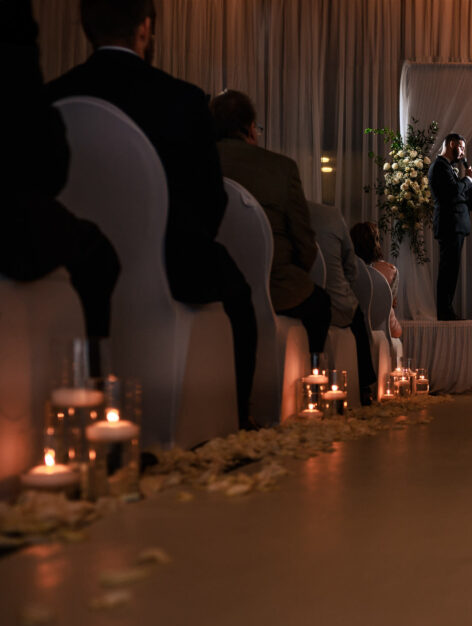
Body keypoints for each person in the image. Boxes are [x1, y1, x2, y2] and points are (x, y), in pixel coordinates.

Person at [44, 0, 258, 429]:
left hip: (70, 267)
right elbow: (210, 202)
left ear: (88, 29)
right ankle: (239, 424)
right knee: (241, 295)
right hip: (172, 265)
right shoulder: (182, 99)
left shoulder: (53, 98)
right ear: (144, 29)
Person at [0, 0, 119, 375]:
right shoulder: (12, 28)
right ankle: (92, 390)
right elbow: (44, 164)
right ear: (145, 27)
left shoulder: (61, 88)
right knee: (99, 257)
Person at [210, 89, 331, 368]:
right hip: (275, 287)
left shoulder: (195, 164)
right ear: (251, 128)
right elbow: (304, 243)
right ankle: (313, 380)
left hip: (213, 286)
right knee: (321, 304)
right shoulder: (281, 168)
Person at [310, 204, 378, 405]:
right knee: (358, 319)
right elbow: (352, 264)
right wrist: (343, 286)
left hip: (300, 294)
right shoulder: (331, 215)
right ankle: (364, 386)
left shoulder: (290, 215)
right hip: (336, 302)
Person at [428, 133, 472, 321]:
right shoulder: (440, 166)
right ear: (452, 144)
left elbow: (458, 197)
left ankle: (447, 310)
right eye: (461, 147)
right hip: (449, 224)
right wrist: (469, 179)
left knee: (452, 270)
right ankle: (444, 312)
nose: (463, 152)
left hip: (456, 224)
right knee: (448, 269)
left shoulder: (449, 168)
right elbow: (453, 192)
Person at [350, 221, 402, 340]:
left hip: (352, 324)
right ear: (376, 242)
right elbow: (391, 306)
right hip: (380, 326)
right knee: (398, 330)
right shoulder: (391, 271)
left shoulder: (347, 268)